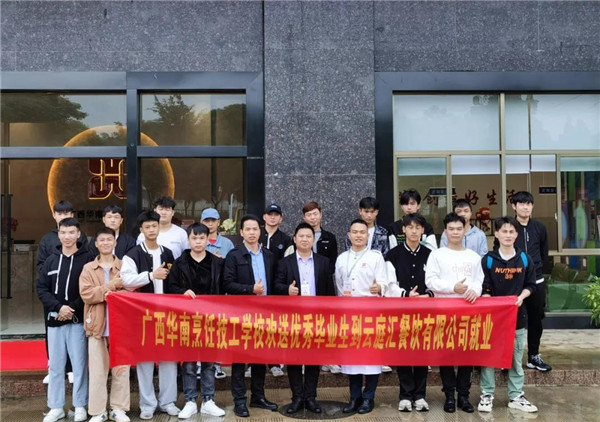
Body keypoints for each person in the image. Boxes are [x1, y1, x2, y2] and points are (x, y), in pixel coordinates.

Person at [121, 211, 179, 420]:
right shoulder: (133, 254)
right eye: (147, 227)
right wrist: (151, 275)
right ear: (141, 230)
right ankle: (147, 404)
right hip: (142, 315)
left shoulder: (168, 254)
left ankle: (168, 401)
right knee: (144, 360)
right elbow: (126, 281)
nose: (152, 230)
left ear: (158, 227)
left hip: (166, 314)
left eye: (154, 226)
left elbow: (174, 280)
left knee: (168, 359)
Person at [274, 222, 336, 415]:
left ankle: (310, 397)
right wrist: (287, 290)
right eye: (301, 236)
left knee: (313, 359)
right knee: (294, 359)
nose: (304, 239)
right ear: (294, 239)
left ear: (313, 239)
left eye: (308, 236)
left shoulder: (323, 262)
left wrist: (329, 318)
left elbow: (329, 291)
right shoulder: (285, 262)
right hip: (293, 318)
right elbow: (275, 285)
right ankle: (297, 398)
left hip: (317, 318)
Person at [477, 216, 538, 414]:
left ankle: (516, 396)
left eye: (511, 231)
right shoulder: (488, 260)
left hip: (517, 318)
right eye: (504, 231)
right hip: (492, 320)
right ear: (496, 234)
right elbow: (484, 286)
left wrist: (521, 297)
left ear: (516, 235)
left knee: (515, 359)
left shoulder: (524, 259)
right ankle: (487, 395)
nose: (508, 235)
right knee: (489, 358)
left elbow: (531, 285)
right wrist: (488, 299)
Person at [166, 223, 226, 418]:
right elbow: (170, 287)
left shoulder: (217, 263)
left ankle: (208, 400)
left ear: (208, 239)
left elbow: (225, 287)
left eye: (202, 238)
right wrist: (182, 292)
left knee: (209, 361)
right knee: (189, 362)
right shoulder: (180, 263)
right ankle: (190, 400)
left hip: (211, 318)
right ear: (188, 240)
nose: (198, 242)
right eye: (194, 238)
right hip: (187, 318)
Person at [425, 212, 483, 414]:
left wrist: (475, 290)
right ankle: (449, 395)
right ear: (445, 231)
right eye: (451, 229)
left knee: (467, 355)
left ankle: (464, 396)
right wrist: (452, 288)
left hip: (469, 312)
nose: (456, 232)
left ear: (465, 230)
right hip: (444, 311)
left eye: (459, 228)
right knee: (446, 355)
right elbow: (430, 280)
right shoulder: (437, 255)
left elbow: (479, 279)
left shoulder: (473, 256)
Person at [223, 214, 278, 418]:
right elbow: (227, 284)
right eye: (248, 229)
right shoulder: (234, 256)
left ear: (260, 231)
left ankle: (258, 396)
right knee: (239, 359)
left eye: (255, 229)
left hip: (265, 314)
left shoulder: (270, 255)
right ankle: (239, 400)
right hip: (242, 314)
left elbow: (275, 283)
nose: (252, 233)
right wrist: (250, 289)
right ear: (241, 232)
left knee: (260, 357)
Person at [37, 218, 90, 422]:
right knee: (56, 366)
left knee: (79, 365)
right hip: (55, 320)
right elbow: (42, 288)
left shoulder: (87, 259)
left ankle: (80, 405)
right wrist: (58, 307)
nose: (67, 236)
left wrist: (71, 308)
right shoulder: (51, 260)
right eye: (63, 232)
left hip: (77, 321)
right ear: (58, 234)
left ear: (78, 234)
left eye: (71, 232)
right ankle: (56, 406)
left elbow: (89, 289)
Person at [335, 219, 388, 415]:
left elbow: (384, 282)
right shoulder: (342, 258)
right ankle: (354, 397)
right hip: (349, 314)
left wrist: (379, 287)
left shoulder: (376, 257)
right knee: (352, 359)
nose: (358, 235)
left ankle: (368, 398)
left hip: (370, 313)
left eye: (362, 232)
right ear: (349, 235)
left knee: (371, 358)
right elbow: (339, 285)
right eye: (355, 232)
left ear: (368, 236)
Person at [79, 227, 131, 422]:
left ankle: (119, 408)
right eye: (102, 240)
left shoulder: (125, 266)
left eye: (109, 239)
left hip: (121, 327)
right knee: (97, 371)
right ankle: (98, 411)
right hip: (96, 326)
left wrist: (114, 294)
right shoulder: (88, 268)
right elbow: (87, 295)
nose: (106, 243)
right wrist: (111, 287)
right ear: (96, 244)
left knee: (121, 370)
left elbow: (132, 293)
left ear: (115, 242)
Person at [385, 214, 433, 412]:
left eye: (418, 227)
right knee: (403, 351)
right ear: (403, 230)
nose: (414, 231)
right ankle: (405, 395)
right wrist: (405, 294)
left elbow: (435, 280)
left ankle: (420, 395)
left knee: (422, 352)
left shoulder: (431, 254)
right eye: (410, 227)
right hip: (401, 310)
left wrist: (428, 294)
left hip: (425, 310)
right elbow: (389, 284)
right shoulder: (392, 255)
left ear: (423, 231)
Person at [511, 191, 552, 372]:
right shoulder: (509, 227)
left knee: (536, 319)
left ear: (532, 206)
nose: (525, 207)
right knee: (512, 320)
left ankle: (534, 356)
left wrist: (538, 270)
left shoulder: (539, 227)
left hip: (536, 281)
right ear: (514, 206)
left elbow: (544, 252)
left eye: (528, 204)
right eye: (521, 204)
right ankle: (509, 358)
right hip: (514, 281)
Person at [302, 201, 340, 374]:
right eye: (309, 215)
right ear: (304, 217)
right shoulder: (300, 236)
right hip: (304, 287)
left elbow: (332, 263)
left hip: (324, 285)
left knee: (325, 324)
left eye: (315, 214)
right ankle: (306, 360)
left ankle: (328, 359)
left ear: (321, 214)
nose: (313, 217)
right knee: (306, 325)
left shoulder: (329, 237)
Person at [200, 207, 234, 379]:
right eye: (207, 221)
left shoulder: (227, 244)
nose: (210, 224)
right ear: (201, 222)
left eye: (213, 220)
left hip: (221, 293)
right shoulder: (198, 240)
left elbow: (232, 267)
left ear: (219, 222)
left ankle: (218, 364)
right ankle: (200, 364)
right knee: (201, 330)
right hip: (202, 293)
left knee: (219, 330)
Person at [260, 203, 293, 377]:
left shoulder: (286, 240)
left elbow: (288, 265)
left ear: (281, 218)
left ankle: (275, 362)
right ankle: (254, 362)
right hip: (257, 289)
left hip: (276, 289)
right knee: (256, 326)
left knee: (275, 327)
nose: (272, 217)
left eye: (276, 215)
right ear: (264, 217)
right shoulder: (256, 234)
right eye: (269, 214)